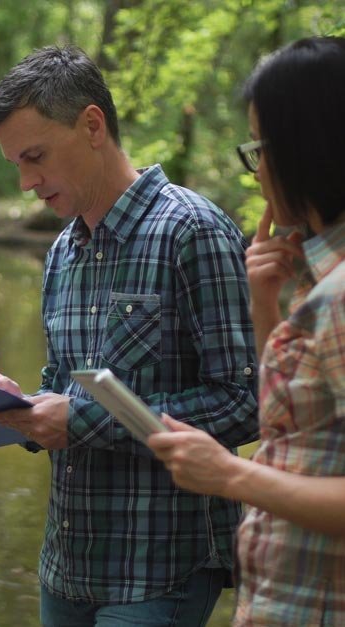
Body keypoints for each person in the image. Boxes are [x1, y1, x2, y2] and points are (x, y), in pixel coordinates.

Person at [0, 45, 259, 626]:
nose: (27, 183)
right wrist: (18, 405)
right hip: (66, 567)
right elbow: (61, 388)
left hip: (161, 567)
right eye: (16, 166)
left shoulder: (193, 230)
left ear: (92, 125)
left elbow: (243, 404)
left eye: (36, 157)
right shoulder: (61, 252)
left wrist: (78, 420)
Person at [148, 36, 345, 626]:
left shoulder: (339, 296)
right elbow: (297, 432)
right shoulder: (316, 282)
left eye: (261, 148)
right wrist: (265, 304)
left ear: (309, 149)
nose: (256, 172)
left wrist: (230, 474)